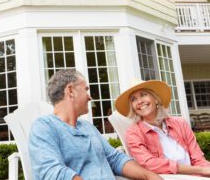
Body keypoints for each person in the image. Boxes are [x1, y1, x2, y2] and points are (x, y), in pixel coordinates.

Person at [28, 69, 163, 180]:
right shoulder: (44, 127)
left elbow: (115, 159)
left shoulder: (88, 127)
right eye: (85, 89)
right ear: (70, 90)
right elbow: (52, 173)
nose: (89, 96)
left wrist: (149, 176)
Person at [115, 78, 210, 176]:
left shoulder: (180, 123)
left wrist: (203, 170)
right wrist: (199, 170)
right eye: (133, 99)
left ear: (156, 99)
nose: (139, 101)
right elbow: (149, 164)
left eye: (143, 95)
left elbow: (198, 158)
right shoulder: (134, 133)